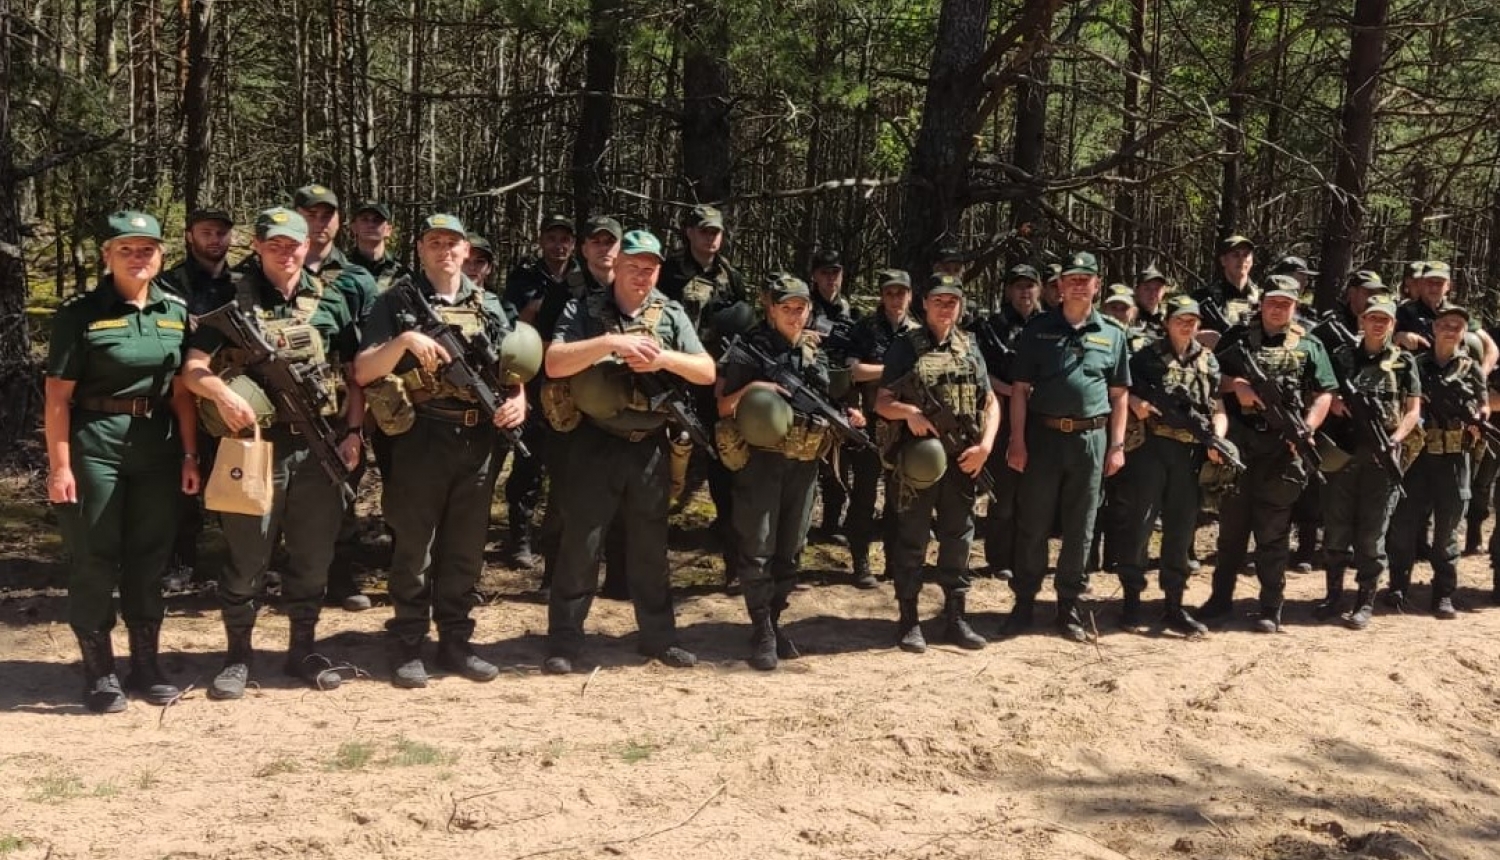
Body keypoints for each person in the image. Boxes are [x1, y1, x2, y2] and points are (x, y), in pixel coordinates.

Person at [182, 207, 363, 699]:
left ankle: (303, 650)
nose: (286, 253)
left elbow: (354, 373)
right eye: (275, 244)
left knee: (313, 556)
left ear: (309, 247)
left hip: (318, 445)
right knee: (247, 556)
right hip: (252, 448)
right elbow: (193, 368)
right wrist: (222, 394)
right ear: (258, 246)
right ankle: (238, 657)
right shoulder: (228, 298)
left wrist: (352, 431)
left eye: (295, 244)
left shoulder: (333, 300)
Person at [355, 213, 528, 687]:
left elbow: (512, 369)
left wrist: (519, 401)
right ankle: (408, 642)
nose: (445, 251)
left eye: (453, 243)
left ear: (467, 252)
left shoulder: (491, 305)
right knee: (415, 548)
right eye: (435, 242)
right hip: (422, 437)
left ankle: (456, 641)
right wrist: (405, 340)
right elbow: (364, 369)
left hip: (479, 440)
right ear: (420, 249)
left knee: (466, 550)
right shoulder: (394, 303)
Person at [541, 229, 716, 673]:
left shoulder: (670, 314)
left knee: (650, 547)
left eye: (651, 268)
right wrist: (609, 343)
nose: (642, 275)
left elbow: (706, 371)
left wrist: (663, 361)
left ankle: (658, 638)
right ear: (616, 265)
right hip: (594, 442)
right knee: (581, 544)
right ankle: (564, 641)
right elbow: (555, 361)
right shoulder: (584, 308)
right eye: (634, 266)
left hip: (649, 447)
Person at [45, 211, 198, 713]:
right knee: (94, 556)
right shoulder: (81, 313)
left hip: (157, 444)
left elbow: (181, 394)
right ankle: (99, 671)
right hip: (95, 443)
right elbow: (57, 399)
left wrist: (191, 454)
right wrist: (60, 466)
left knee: (150, 557)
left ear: (160, 255)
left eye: (147, 249)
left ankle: (146, 665)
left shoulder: (175, 311)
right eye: (127, 249)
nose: (138, 257)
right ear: (107, 254)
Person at [716, 274, 862, 669]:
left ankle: (775, 617)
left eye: (801, 309)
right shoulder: (749, 349)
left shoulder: (814, 353)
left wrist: (849, 415)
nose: (795, 316)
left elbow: (831, 398)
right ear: (771, 308)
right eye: (787, 308)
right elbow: (722, 405)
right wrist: (755, 389)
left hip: (804, 462)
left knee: (792, 547)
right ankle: (761, 626)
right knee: (758, 544)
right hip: (761, 462)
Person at [1002, 252, 1130, 641]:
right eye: (1070, 278)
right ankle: (1024, 602)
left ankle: (1068, 607)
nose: (1077, 284)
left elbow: (1121, 394)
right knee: (1033, 523)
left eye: (1085, 278)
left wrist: (1117, 445)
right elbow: (1020, 390)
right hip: (1043, 439)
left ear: (1096, 285)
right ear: (1059, 286)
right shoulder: (1038, 330)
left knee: (1081, 527)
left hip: (1091, 441)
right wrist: (1017, 440)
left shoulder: (1112, 333)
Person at [1199, 276, 1337, 632]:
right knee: (1231, 529)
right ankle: (1219, 599)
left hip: (1283, 448)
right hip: (1243, 444)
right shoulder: (1237, 339)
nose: (1278, 308)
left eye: (1286, 303)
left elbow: (1324, 393)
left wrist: (1306, 427)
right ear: (1262, 303)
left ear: (1295, 306)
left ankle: (1270, 606)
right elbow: (1211, 377)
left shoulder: (1310, 344)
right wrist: (1239, 386)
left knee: (1273, 533)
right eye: (1272, 301)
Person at [876, 274, 1000, 653]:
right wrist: (909, 413)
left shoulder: (970, 345)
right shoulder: (905, 346)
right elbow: (881, 401)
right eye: (939, 301)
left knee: (958, 538)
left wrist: (986, 448)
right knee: (912, 538)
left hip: (963, 459)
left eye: (953, 302)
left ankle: (956, 617)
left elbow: (990, 402)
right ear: (925, 303)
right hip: (919, 461)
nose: (946, 308)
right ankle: (909, 618)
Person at [1115, 295, 1227, 634]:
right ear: (1167, 321)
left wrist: (1217, 439)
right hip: (1151, 449)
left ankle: (1174, 604)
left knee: (1181, 530)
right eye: (1181, 318)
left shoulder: (1208, 361)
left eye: (1193, 319)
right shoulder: (1146, 358)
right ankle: (1132, 600)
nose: (1187, 324)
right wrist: (1137, 403)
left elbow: (1218, 406)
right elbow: (1122, 390)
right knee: (1140, 525)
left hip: (1190, 455)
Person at [1314, 297, 1421, 630]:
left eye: (1385, 320)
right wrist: (1334, 403)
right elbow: (1321, 391)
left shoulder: (1404, 362)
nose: (1378, 324)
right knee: (1336, 526)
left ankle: (1365, 601)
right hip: (1344, 452)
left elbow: (1413, 410)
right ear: (1362, 321)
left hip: (1382, 452)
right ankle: (1333, 596)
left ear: (1392, 325)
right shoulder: (1342, 357)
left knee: (1372, 532)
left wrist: (1396, 439)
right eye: (1372, 318)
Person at [659, 205, 749, 553]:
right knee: (668, 448)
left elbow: (742, 329)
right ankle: (652, 525)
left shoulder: (732, 276)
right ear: (690, 233)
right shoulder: (669, 273)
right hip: (676, 373)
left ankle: (726, 530)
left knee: (722, 451)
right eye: (704, 231)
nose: (710, 237)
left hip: (718, 379)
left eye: (716, 232)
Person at [156, 207, 237, 589]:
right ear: (190, 236)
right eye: (206, 231)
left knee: (234, 478)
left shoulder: (242, 283)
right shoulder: (169, 283)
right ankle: (180, 560)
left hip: (233, 392)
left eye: (221, 232)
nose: (215, 239)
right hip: (181, 392)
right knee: (182, 480)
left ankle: (236, 561)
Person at [1389, 306, 1487, 621]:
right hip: (1418, 456)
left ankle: (1444, 593)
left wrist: (1478, 418)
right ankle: (1397, 586)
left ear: (1463, 333)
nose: (1450, 330)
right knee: (1403, 524)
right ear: (1434, 328)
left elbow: (1483, 403)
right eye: (1444, 324)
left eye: (1457, 326)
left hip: (1454, 459)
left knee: (1447, 529)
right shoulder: (1415, 365)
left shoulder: (1471, 368)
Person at [502, 214, 578, 569]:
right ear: (541, 240)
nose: (558, 245)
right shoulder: (525, 277)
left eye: (565, 238)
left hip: (572, 379)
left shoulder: (583, 276)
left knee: (569, 465)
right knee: (528, 461)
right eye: (552, 238)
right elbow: (509, 321)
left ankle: (563, 541)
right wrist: (533, 311)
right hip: (533, 377)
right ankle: (519, 538)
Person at [844, 269, 922, 588]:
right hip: (870, 423)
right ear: (881, 296)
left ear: (910, 296)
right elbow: (852, 371)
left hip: (905, 424)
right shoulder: (864, 328)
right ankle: (860, 561)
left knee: (899, 497)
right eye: (889, 293)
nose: (895, 299)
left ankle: (893, 560)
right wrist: (892, 372)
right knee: (864, 495)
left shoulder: (919, 332)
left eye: (901, 293)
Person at [976, 264, 1044, 579]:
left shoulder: (1050, 324)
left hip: (1043, 417)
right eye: (1018, 286)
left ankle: (1028, 559)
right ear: (1008, 291)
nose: (1024, 292)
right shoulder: (992, 327)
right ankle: (999, 559)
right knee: (1004, 494)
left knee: (1035, 495)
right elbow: (982, 373)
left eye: (1030, 286)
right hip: (1002, 414)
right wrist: (1014, 391)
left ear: (1040, 290)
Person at [807, 248, 860, 545]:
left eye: (835, 273)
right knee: (806, 456)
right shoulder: (803, 306)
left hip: (841, 389)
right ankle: (800, 522)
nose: (831, 279)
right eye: (825, 272)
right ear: (815, 275)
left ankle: (830, 523)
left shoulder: (849, 310)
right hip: (809, 387)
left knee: (839, 460)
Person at [1193, 235, 1260, 331]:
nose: (1242, 260)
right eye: (1236, 255)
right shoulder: (1202, 298)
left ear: (1252, 260)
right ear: (1223, 260)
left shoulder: (1262, 298)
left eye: (1246, 255)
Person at [347, 200, 410, 293]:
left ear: (388, 230)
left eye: (377, 220)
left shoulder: (400, 275)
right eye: (364, 219)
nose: (370, 224)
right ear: (354, 227)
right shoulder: (342, 269)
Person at [1133, 264, 1170, 342]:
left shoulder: (1169, 319)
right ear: (1137, 290)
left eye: (1157, 289)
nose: (1152, 294)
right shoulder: (1127, 315)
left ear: (1163, 292)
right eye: (1147, 288)